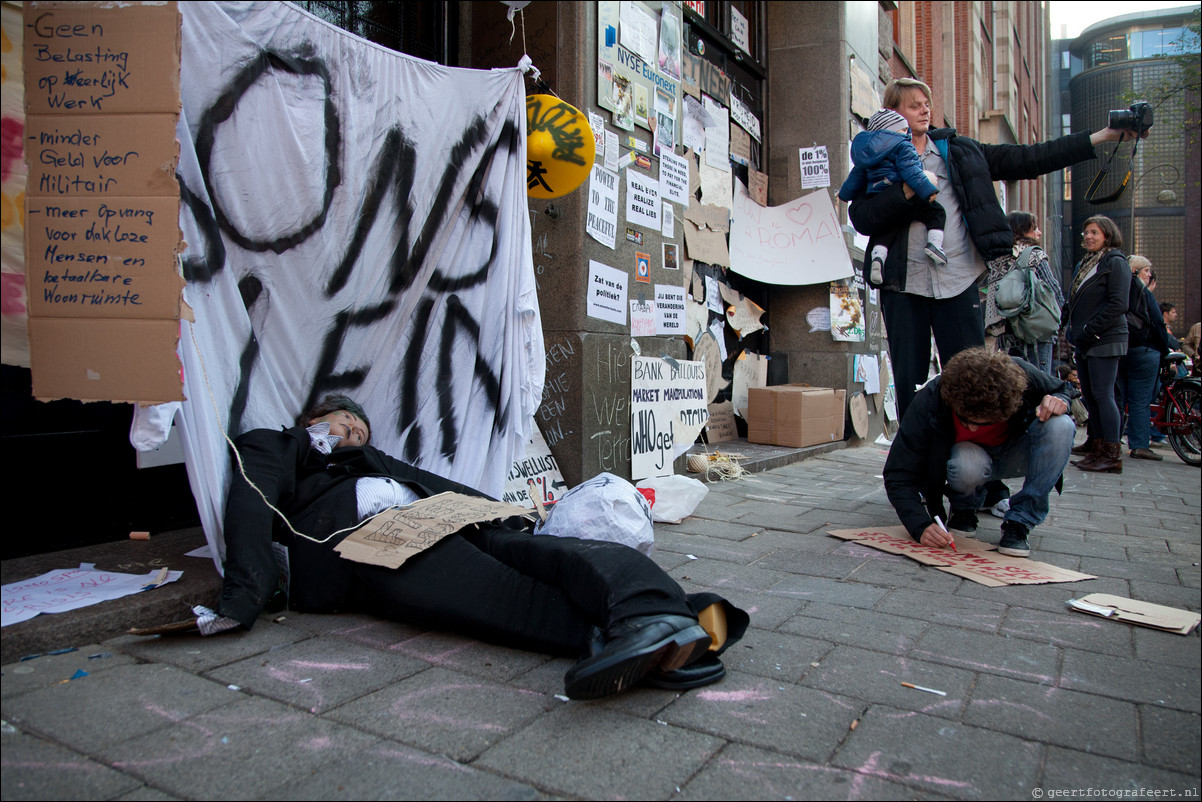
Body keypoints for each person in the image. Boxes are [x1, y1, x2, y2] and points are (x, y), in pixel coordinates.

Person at [140, 395, 748, 700]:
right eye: (338, 426)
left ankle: (650, 613)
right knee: (497, 595)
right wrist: (243, 596)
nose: (349, 437)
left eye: (358, 431)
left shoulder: (375, 461)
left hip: (444, 518)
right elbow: (250, 502)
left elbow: (444, 488)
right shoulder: (276, 447)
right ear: (309, 420)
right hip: (371, 539)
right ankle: (670, 629)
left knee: (560, 552)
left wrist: (507, 515)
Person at [848, 77, 1142, 421]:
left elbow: (1030, 158)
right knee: (912, 389)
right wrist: (908, 191)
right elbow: (862, 218)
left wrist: (1104, 136)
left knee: (973, 385)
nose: (925, 110)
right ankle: (918, 470)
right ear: (892, 113)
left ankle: (971, 467)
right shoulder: (878, 158)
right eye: (914, 105)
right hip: (903, 286)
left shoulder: (958, 151)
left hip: (958, 282)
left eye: (927, 103)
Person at [883, 347, 1078, 559]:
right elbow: (898, 472)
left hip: (1016, 453)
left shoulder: (1021, 374)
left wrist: (1060, 400)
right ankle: (964, 508)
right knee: (967, 458)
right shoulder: (932, 397)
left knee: (1062, 426)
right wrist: (920, 524)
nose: (974, 430)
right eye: (966, 421)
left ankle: (1019, 522)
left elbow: (1063, 389)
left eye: (986, 423)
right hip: (967, 459)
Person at [839, 108, 947, 285]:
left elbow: (854, 179)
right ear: (893, 129)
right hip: (899, 188)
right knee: (936, 212)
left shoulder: (865, 153)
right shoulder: (901, 145)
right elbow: (912, 171)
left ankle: (878, 259)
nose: (907, 133)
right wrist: (928, 189)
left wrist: (843, 195)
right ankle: (935, 244)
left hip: (877, 193)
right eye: (904, 129)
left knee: (887, 225)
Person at [1066, 216, 1129, 474]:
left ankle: (1112, 454)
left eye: (1094, 232)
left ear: (1107, 235)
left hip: (1105, 338)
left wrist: (1089, 330)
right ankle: (1097, 447)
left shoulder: (1115, 261)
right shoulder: (1087, 263)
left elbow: (1119, 304)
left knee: (1104, 396)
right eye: (1086, 232)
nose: (1088, 237)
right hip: (1086, 340)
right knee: (1091, 396)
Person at [993, 211, 1063, 375]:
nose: (1038, 232)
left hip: (1007, 330)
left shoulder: (999, 256)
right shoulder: (1034, 254)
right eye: (1034, 228)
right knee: (1039, 381)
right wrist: (1058, 319)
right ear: (1023, 230)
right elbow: (1053, 289)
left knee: (1012, 384)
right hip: (1036, 331)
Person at [1116, 255, 1171, 461]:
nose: (1150, 275)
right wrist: (1164, 349)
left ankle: (1112, 441)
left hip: (1122, 349)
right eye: (1147, 270)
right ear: (1136, 271)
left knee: (1118, 398)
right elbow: (1157, 322)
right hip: (1145, 351)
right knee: (1140, 401)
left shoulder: (1120, 290)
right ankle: (1139, 445)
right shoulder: (1143, 292)